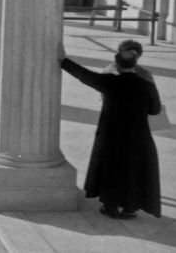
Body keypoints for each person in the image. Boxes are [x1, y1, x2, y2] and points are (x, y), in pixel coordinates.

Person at [59, 39, 162, 219]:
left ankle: (111, 206)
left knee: (111, 167)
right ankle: (130, 207)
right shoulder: (146, 83)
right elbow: (155, 110)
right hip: (138, 134)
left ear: (117, 62)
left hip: (111, 132)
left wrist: (63, 61)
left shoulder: (109, 81)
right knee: (133, 168)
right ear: (136, 61)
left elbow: (84, 75)